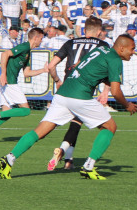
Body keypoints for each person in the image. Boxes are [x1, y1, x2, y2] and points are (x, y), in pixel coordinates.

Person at [0, 35, 137, 180]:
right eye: (132, 49)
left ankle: (9, 159)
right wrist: (127, 105)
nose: (133, 52)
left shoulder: (102, 49)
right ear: (121, 48)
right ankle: (88, 166)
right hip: (79, 97)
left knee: (39, 132)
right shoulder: (115, 59)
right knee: (110, 127)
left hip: (62, 94)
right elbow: (115, 92)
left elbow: (78, 64)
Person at [43, 16, 110, 170]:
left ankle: (68, 160)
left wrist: (58, 81)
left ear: (84, 30)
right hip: (83, 89)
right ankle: (62, 151)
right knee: (77, 123)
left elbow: (51, 66)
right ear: (99, 31)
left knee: (69, 124)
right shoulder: (103, 45)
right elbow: (108, 69)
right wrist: (106, 90)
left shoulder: (70, 42)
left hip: (66, 87)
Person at [0, 28, 49, 144]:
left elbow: (27, 73)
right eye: (41, 38)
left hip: (6, 83)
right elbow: (5, 54)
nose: (41, 41)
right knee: (26, 111)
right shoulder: (24, 46)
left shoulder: (27, 52)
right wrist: (3, 73)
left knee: (6, 113)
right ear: (36, 38)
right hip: (9, 82)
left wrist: (43, 70)